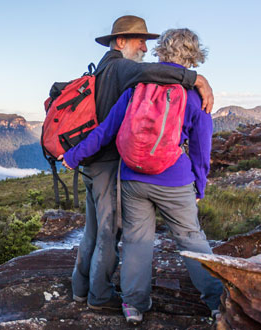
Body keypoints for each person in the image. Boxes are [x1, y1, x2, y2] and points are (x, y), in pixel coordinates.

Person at [60, 28, 223, 324]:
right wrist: (199, 184)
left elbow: (106, 130)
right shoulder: (196, 95)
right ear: (194, 56)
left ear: (162, 51)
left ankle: (134, 306)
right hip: (174, 179)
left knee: (136, 241)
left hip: (133, 177)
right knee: (190, 238)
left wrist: (73, 156)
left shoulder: (137, 87)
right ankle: (216, 301)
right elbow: (201, 149)